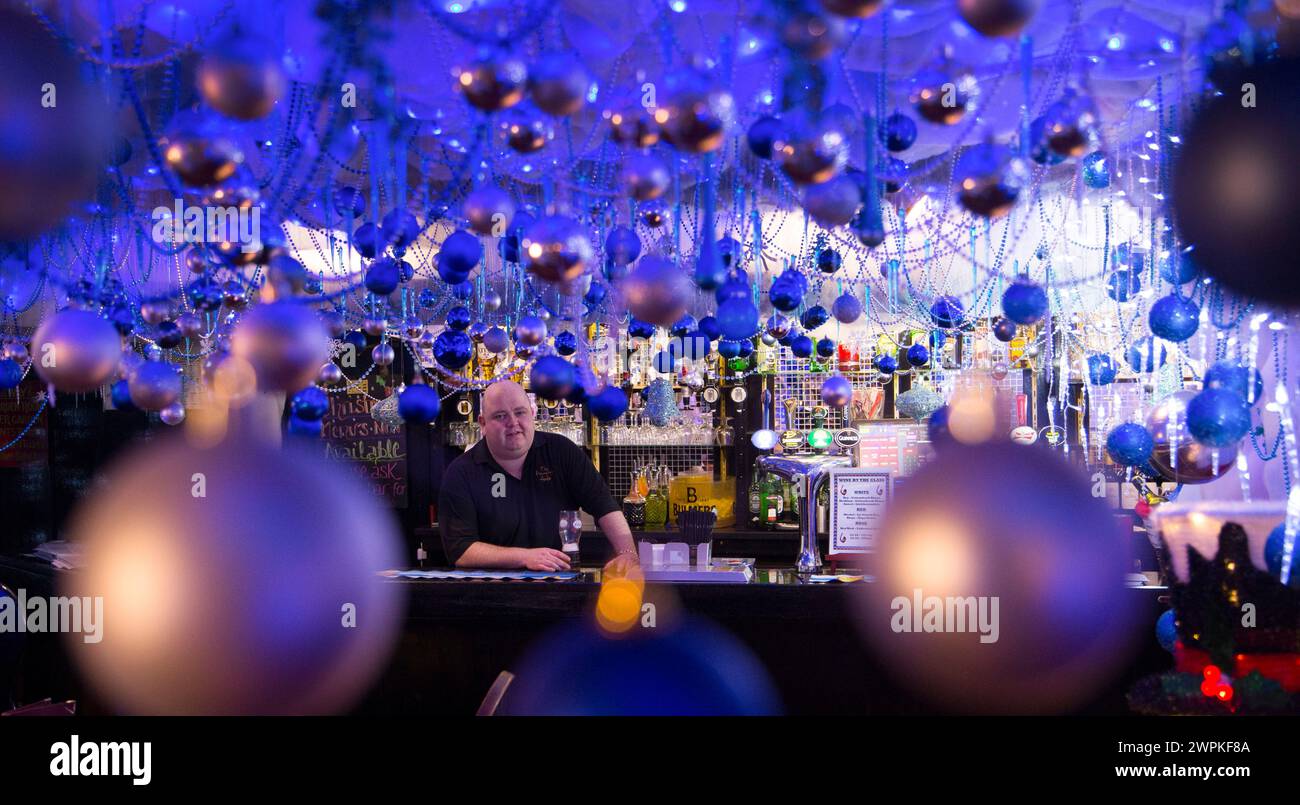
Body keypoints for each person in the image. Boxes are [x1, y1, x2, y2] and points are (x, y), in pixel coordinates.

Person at [438, 379, 639, 572]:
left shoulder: (561, 451)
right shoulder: (461, 472)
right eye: (500, 416)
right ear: (482, 423)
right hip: (491, 595)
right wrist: (524, 557)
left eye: (520, 412)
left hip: (559, 583)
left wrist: (628, 553)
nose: (513, 422)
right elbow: (461, 551)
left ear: (532, 413)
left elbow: (605, 506)